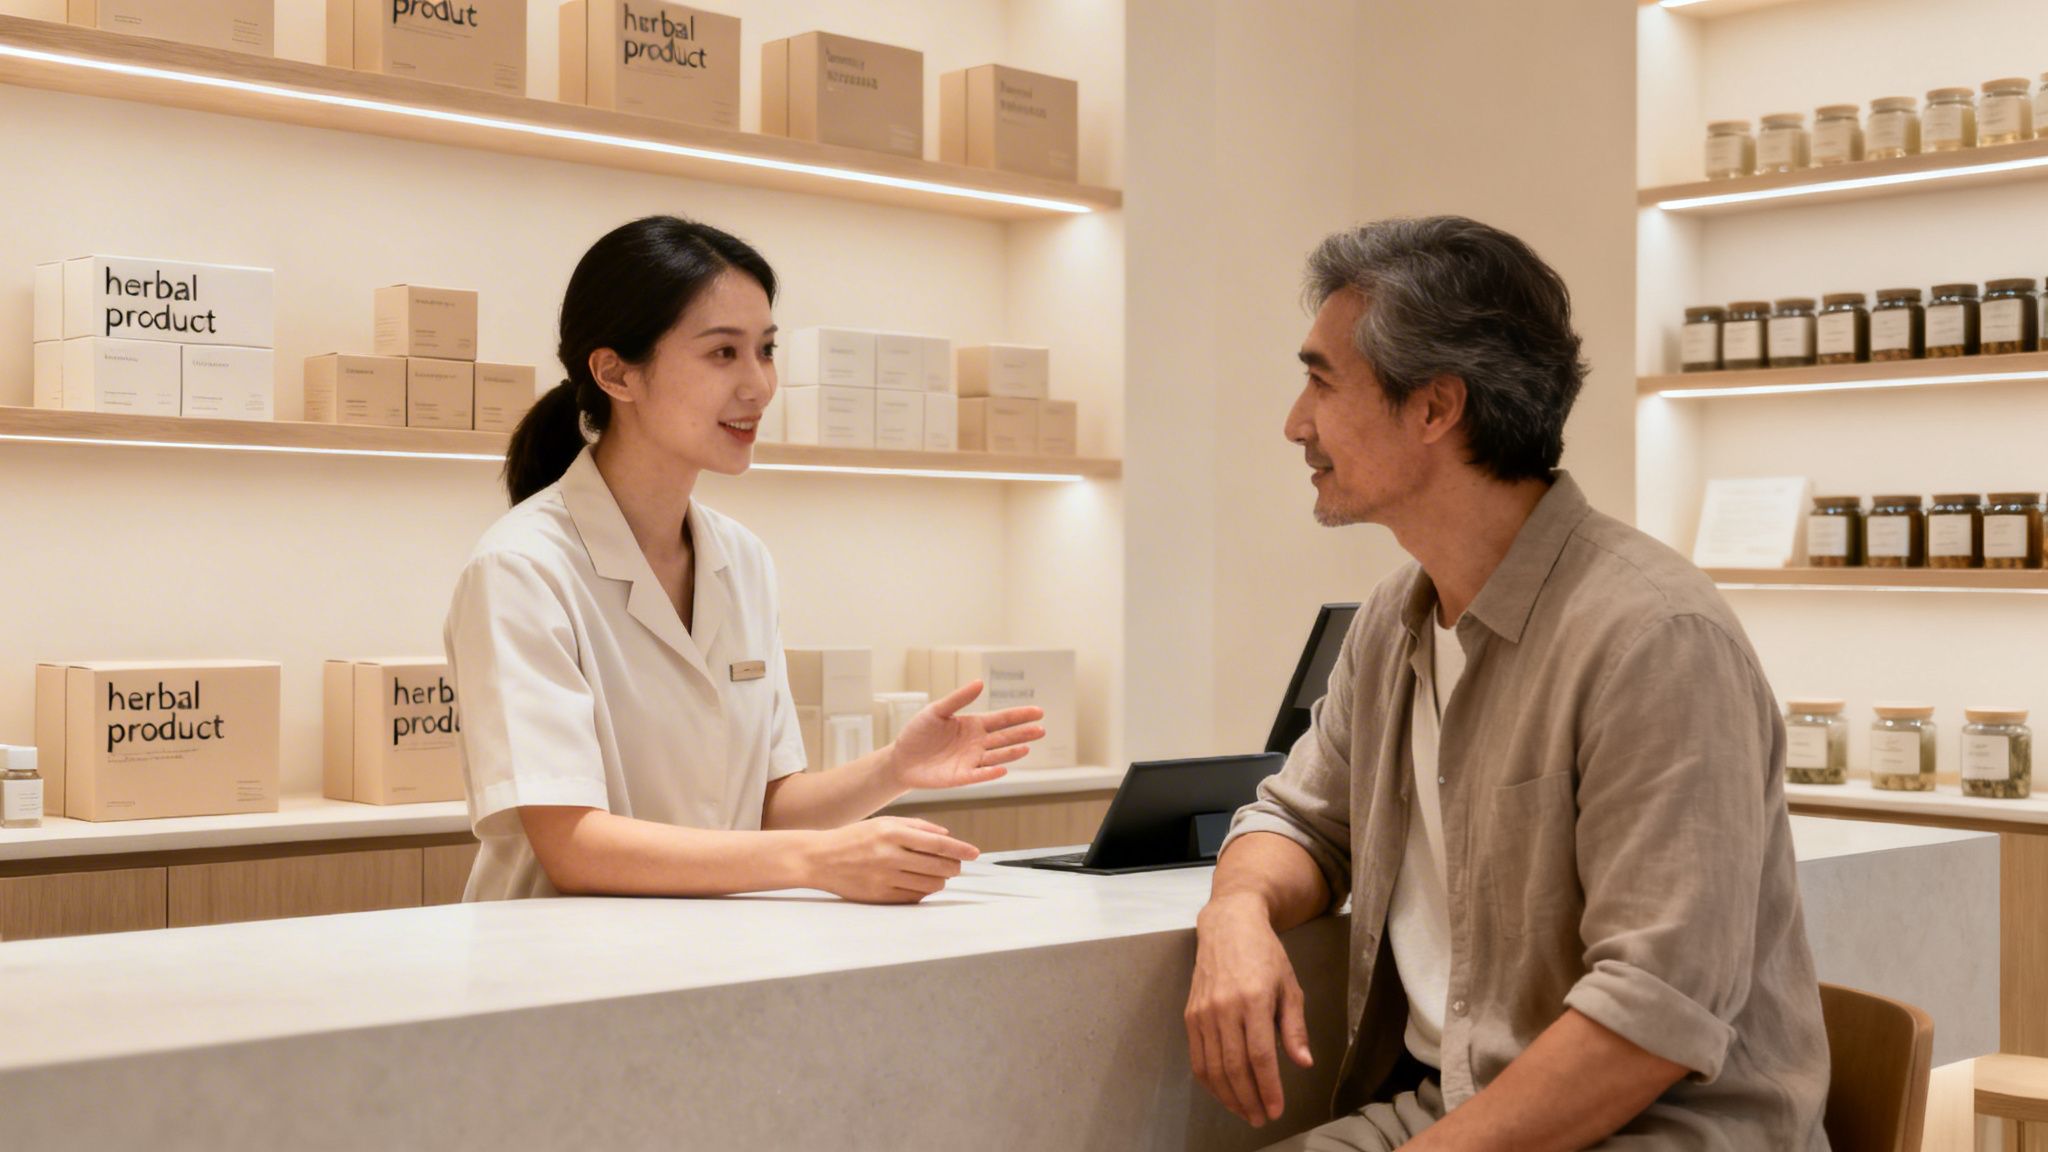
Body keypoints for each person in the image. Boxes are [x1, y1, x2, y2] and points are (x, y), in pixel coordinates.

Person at [1184, 217, 1830, 1149]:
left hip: (1656, 1130)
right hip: (1451, 1110)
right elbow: (1300, 821)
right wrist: (1236, 910)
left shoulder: (1656, 638)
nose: (1296, 421)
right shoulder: (1393, 619)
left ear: (1437, 408)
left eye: (1322, 380)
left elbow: (1651, 1019)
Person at [445, 215, 1044, 903]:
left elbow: (759, 808)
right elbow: (573, 845)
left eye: (765, 350)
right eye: (723, 354)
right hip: (556, 974)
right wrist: (816, 861)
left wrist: (895, 767)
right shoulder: (521, 569)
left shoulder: (741, 559)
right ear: (615, 372)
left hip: (714, 961)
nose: (759, 385)